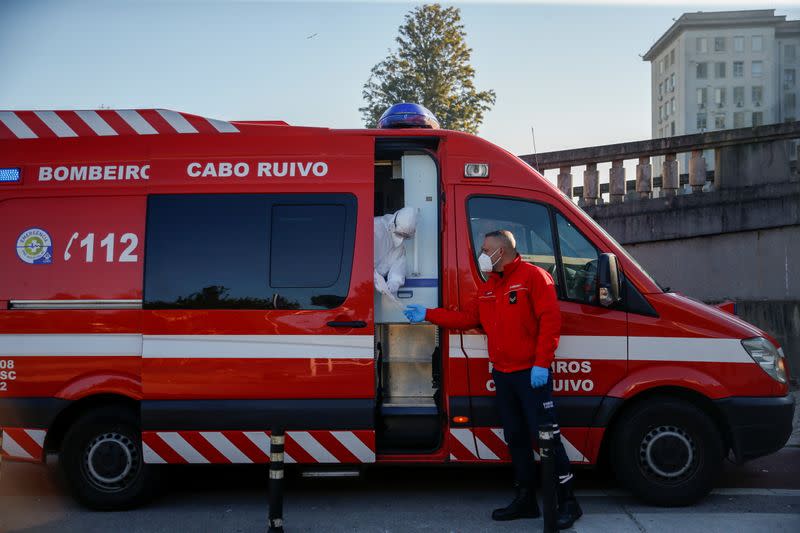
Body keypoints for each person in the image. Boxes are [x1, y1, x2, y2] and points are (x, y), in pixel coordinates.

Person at [403, 230, 582, 529]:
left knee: (547, 439)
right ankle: (526, 500)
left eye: (486, 249)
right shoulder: (488, 287)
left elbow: (550, 323)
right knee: (516, 438)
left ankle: (568, 502)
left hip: (531, 375)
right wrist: (428, 314)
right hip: (504, 375)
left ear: (503, 251)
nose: (482, 255)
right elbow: (466, 318)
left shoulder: (534, 278)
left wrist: (541, 364)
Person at [374, 207, 418, 298]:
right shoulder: (375, 227)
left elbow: (398, 265)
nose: (401, 239)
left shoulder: (399, 247)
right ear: (392, 224)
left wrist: (393, 284)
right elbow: (359, 257)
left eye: (405, 236)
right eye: (399, 234)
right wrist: (373, 276)